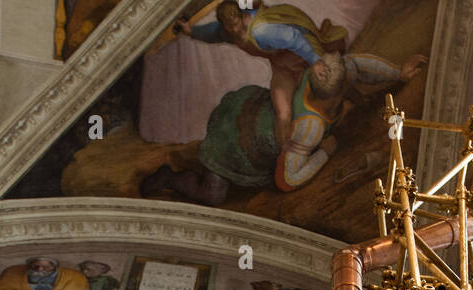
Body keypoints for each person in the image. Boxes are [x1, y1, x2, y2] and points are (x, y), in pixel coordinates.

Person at [142, 48, 426, 203]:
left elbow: (359, 66)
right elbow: (287, 179)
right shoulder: (309, 126)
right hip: (237, 145)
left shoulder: (329, 72)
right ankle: (168, 178)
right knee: (213, 195)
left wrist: (398, 74)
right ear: (335, 94)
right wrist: (324, 152)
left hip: (247, 104)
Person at [179, 1, 348, 146]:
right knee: (283, 113)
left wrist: (315, 61)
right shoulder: (229, 31)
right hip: (283, 68)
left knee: (327, 88)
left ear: (242, 16)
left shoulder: (262, 31)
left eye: (236, 24)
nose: (235, 30)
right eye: (229, 27)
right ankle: (288, 152)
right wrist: (191, 31)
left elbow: (294, 38)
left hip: (303, 58)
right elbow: (212, 33)